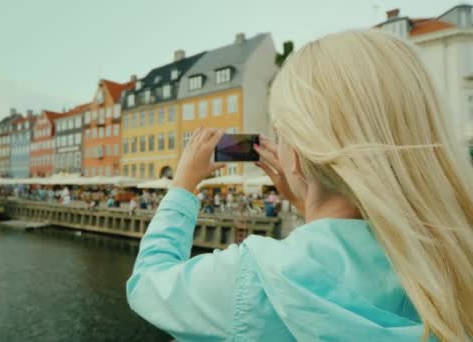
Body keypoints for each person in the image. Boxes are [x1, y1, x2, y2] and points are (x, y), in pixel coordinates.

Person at [126, 30, 473, 341]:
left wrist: (184, 184)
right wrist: (310, 205)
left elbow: (148, 283)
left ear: (297, 155)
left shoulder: (258, 278)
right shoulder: (453, 258)